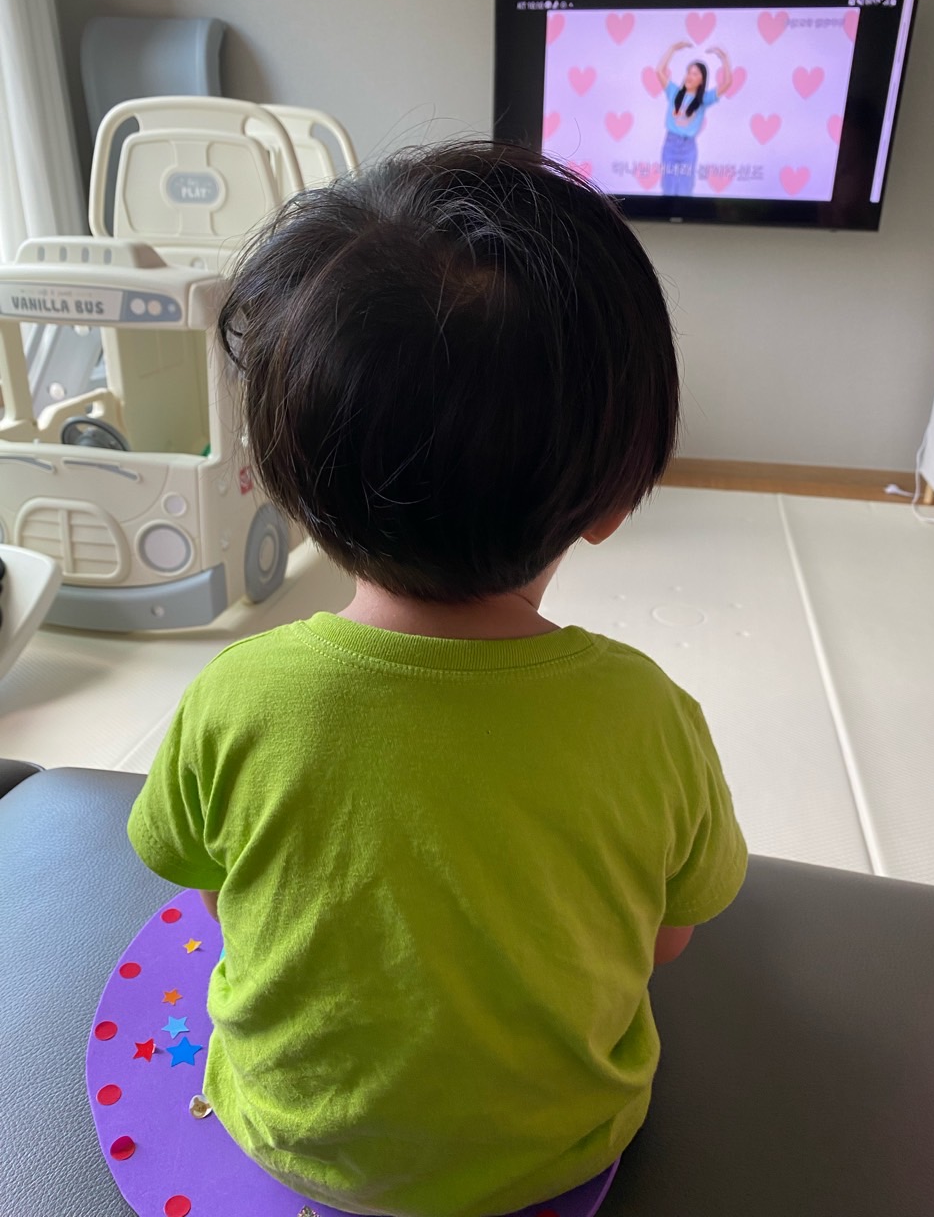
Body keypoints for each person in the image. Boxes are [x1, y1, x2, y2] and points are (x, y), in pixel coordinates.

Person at [126, 141, 747, 1217]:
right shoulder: (650, 716)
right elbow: (667, 939)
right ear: (611, 502)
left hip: (291, 1138)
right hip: (560, 1150)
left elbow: (209, 887)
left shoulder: (234, 695)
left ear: (285, 482)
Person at [654, 41, 733, 195]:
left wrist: (724, 59)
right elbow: (659, 71)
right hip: (670, 144)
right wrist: (672, 49)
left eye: (695, 74)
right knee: (668, 186)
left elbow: (727, 83)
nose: (690, 76)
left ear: (702, 80)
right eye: (689, 72)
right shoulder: (674, 92)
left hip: (688, 147)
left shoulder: (704, 99)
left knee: (685, 187)